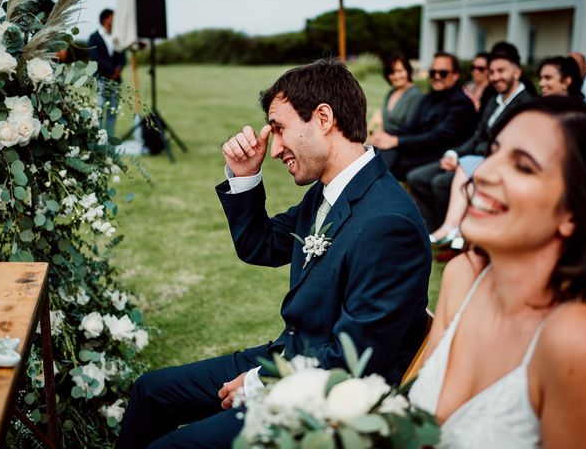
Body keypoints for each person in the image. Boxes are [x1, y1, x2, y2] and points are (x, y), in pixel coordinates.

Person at [117, 59, 432, 448]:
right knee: (150, 391)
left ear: (322, 118)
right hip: (288, 355)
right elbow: (261, 244)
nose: (275, 147)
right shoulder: (329, 191)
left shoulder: (389, 224)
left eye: (279, 128)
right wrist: (245, 174)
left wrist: (259, 384)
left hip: (326, 404)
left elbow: (353, 364)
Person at [409, 97, 586, 448]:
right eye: (493, 152)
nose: (483, 172)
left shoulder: (577, 339)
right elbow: (413, 429)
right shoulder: (462, 276)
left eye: (523, 167)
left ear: (572, 212)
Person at [408, 43, 532, 240]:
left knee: (440, 182)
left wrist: (463, 159)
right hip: (471, 158)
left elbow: (509, 146)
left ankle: (452, 232)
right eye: (491, 72)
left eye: (501, 71)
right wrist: (454, 154)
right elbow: (477, 136)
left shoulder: (527, 104)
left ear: (517, 72)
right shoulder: (494, 101)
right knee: (417, 177)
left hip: (494, 164)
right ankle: (432, 229)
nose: (495, 76)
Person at [375, 51, 477, 181]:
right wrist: (389, 138)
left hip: (442, 154)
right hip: (422, 149)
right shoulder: (429, 98)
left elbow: (437, 137)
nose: (437, 76)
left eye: (443, 73)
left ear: (455, 75)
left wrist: (396, 141)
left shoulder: (460, 103)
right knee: (382, 153)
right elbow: (411, 127)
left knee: (391, 162)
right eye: (433, 72)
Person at [88, 8, 126, 134]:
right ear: (105, 19)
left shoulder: (117, 36)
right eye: (113, 17)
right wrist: (111, 70)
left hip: (116, 80)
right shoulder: (94, 37)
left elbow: (122, 55)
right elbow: (95, 58)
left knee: (112, 111)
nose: (115, 20)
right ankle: (98, 139)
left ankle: (109, 141)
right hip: (101, 78)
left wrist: (118, 69)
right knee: (99, 108)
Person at [368, 53, 423, 138]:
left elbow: (413, 132)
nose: (396, 76)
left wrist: (389, 139)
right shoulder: (391, 93)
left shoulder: (416, 95)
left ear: (408, 71)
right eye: (392, 72)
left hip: (402, 147)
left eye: (400, 71)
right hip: (383, 144)